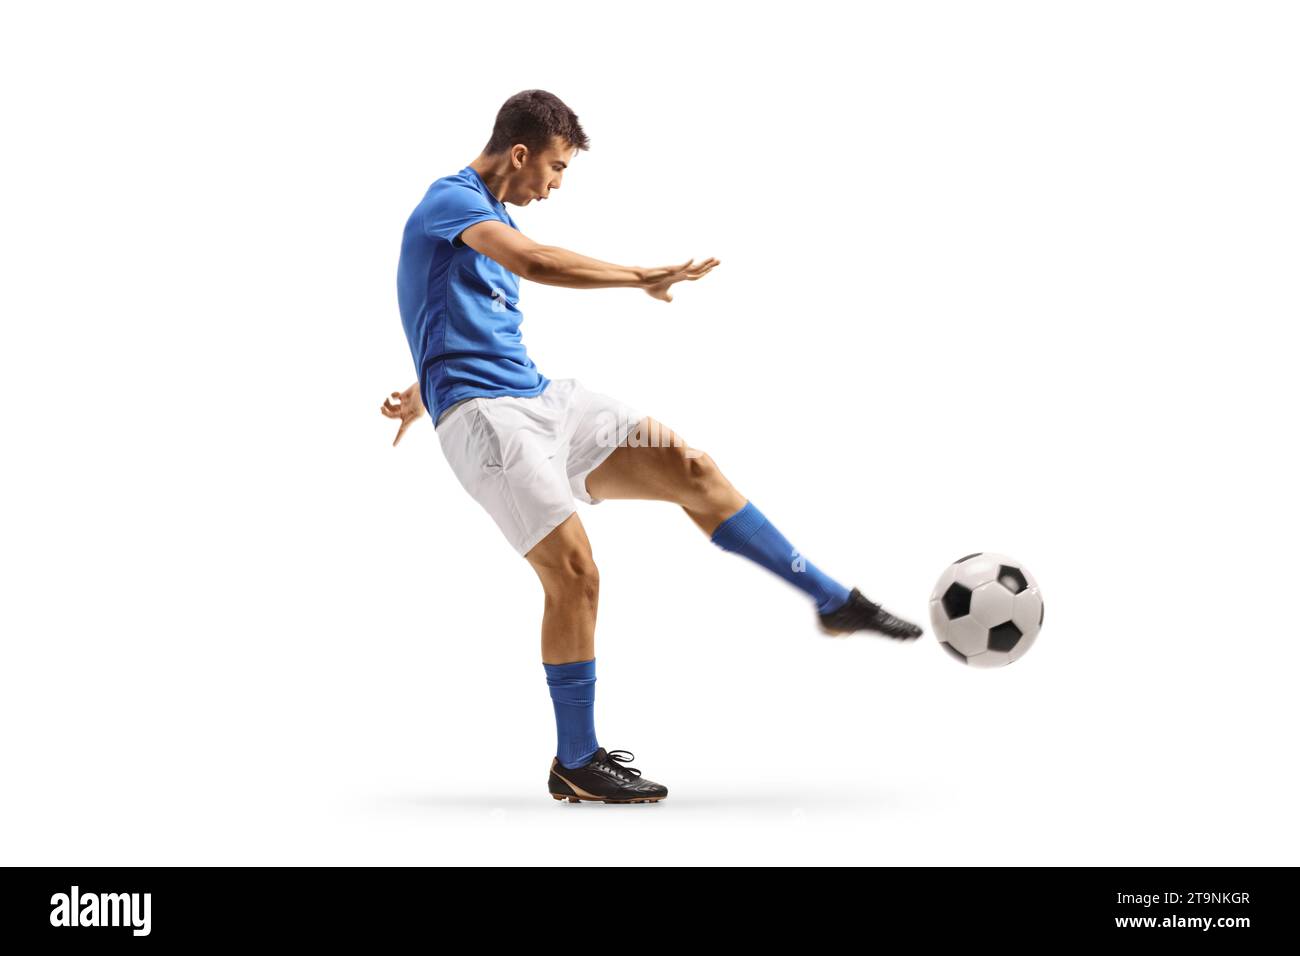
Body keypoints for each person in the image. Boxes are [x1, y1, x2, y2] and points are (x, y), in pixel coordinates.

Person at [383, 89, 923, 805]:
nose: (556, 183)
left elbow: (447, 313)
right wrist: (642, 277)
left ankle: (832, 601)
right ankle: (576, 759)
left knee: (691, 468)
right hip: (489, 420)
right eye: (556, 167)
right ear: (519, 153)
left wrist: (420, 389)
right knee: (575, 573)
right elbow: (537, 262)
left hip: (543, 398)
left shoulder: (487, 219)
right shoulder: (450, 202)